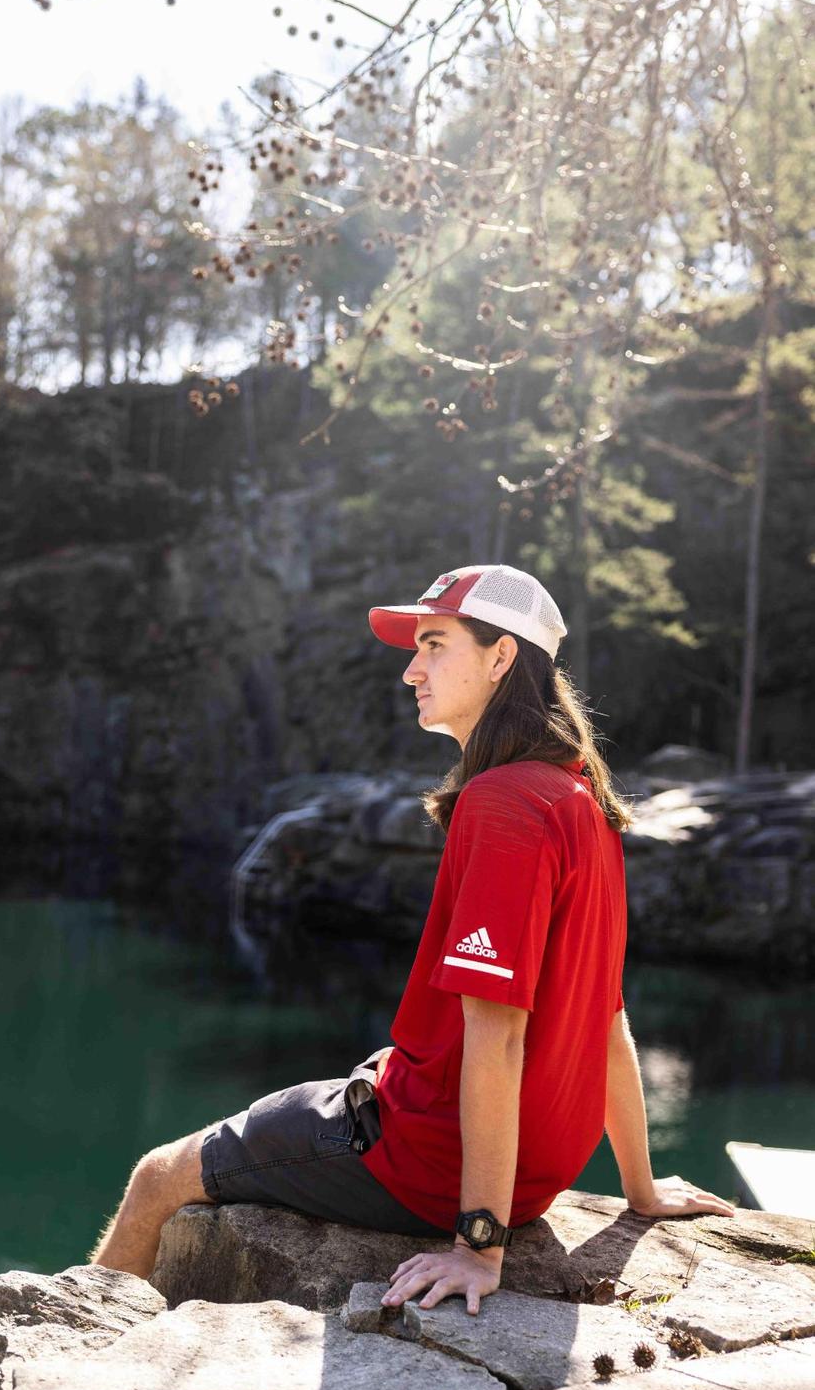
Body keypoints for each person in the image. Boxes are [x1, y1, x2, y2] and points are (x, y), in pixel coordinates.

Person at [89, 562, 733, 1312]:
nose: (411, 671)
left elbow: (497, 1035)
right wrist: (640, 1191)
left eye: (434, 645)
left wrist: (479, 1245)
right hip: (532, 1170)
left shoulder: (503, 804)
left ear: (501, 657)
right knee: (370, 1068)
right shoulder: (580, 796)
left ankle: (78, 1343)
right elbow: (606, 1012)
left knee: (157, 1177)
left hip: (424, 1160)